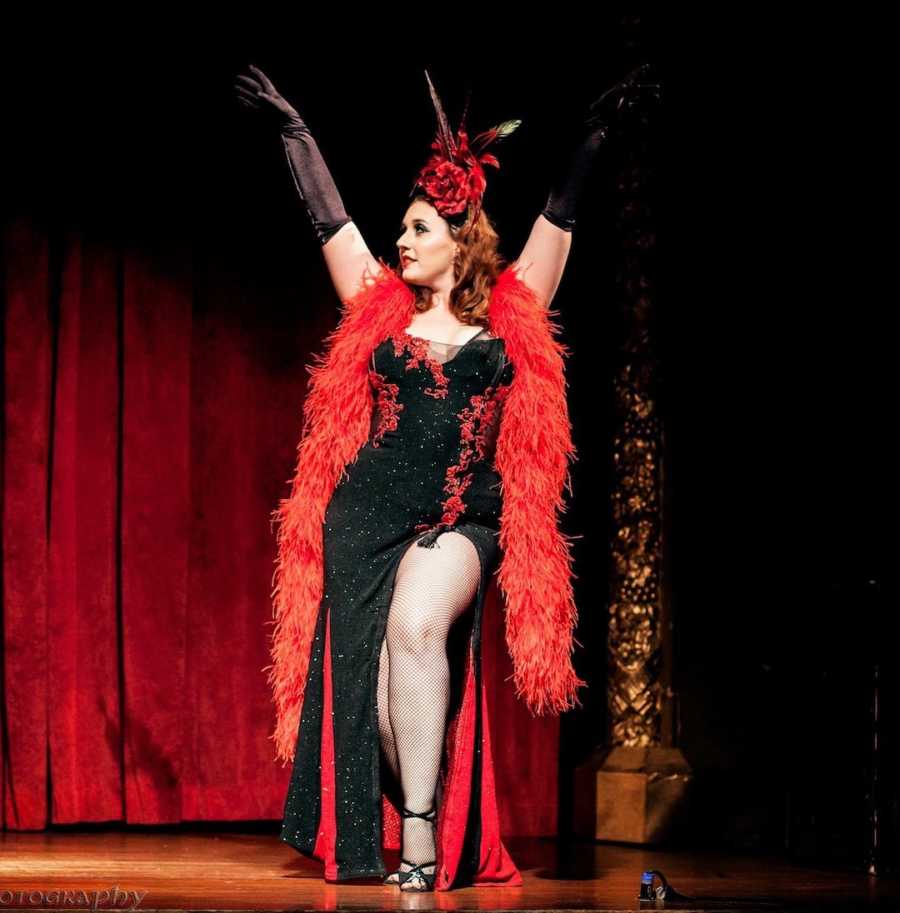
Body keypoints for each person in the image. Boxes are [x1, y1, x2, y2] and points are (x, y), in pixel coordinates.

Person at [235, 62, 658, 892]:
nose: (402, 239)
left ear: (460, 238)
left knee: (421, 625)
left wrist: (596, 140)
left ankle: (423, 835)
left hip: (464, 518)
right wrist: (295, 131)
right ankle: (410, 815)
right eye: (403, 226)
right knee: (381, 697)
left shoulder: (510, 312)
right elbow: (331, 221)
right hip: (365, 518)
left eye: (420, 227)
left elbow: (558, 217)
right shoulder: (379, 307)